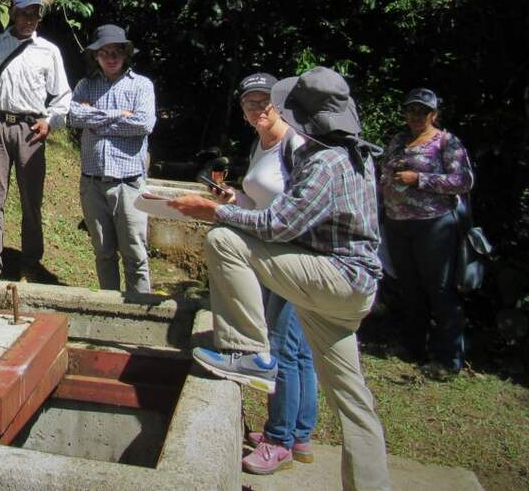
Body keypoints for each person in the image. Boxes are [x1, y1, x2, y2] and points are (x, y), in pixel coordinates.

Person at [168, 67, 390, 490]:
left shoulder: (326, 161)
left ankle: (250, 351)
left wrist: (212, 210)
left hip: (335, 278)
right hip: (353, 288)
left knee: (224, 240)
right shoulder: (358, 154)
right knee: (354, 401)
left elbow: (278, 225)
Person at [218, 73, 317, 475]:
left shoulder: (297, 144)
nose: (258, 109)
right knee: (299, 350)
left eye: (265, 102)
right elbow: (261, 200)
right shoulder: (261, 144)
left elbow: (300, 207)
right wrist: (234, 199)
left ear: (280, 104)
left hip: (299, 255)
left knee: (281, 349)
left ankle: (278, 440)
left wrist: (230, 214)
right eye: (250, 103)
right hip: (275, 254)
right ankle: (300, 434)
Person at [0, 0, 71, 282]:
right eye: (24, 12)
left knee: (31, 201)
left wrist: (49, 121)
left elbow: (63, 96)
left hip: (31, 131)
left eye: (35, 13)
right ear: (12, 12)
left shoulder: (48, 51)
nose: (30, 19)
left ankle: (30, 263)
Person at [379, 88, 473, 379]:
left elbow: (463, 180)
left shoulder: (446, 142)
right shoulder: (398, 140)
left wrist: (420, 179)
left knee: (440, 289)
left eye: (423, 111)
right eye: (411, 110)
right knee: (410, 287)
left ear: (434, 114)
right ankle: (413, 346)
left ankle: (448, 358)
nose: (416, 116)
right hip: (397, 224)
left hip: (434, 224)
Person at [68, 25, 156, 297]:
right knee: (103, 253)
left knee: (135, 253)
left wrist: (95, 118)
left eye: (116, 51)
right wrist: (120, 116)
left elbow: (143, 124)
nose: (111, 57)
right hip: (92, 183)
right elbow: (72, 117)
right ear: (96, 56)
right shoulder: (85, 86)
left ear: (125, 54)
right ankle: (108, 308)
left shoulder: (141, 85)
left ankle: (141, 314)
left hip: (128, 184)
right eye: (104, 52)